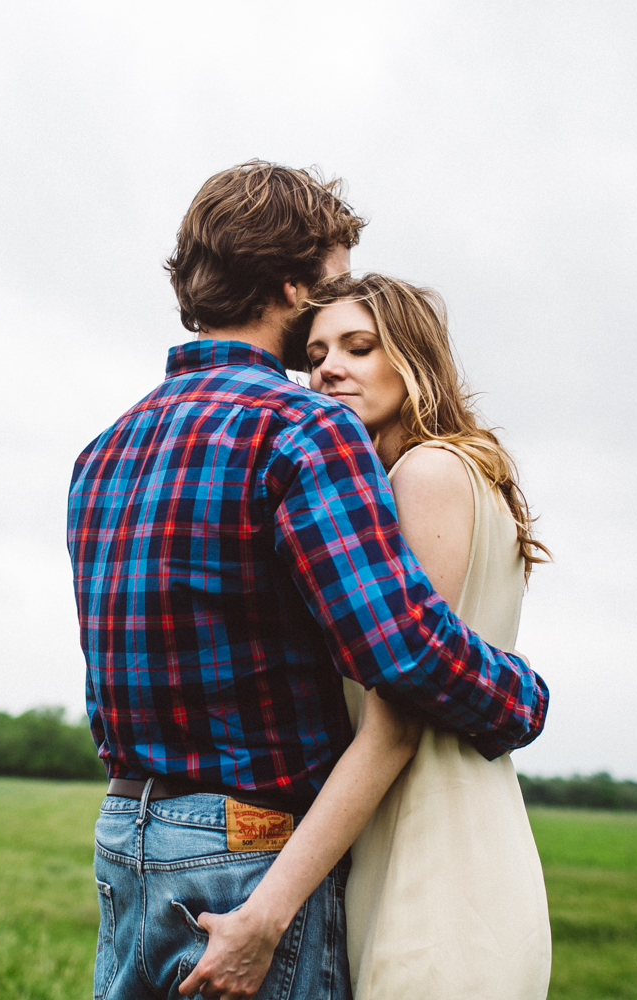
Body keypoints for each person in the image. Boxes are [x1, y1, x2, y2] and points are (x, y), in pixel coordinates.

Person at [67, 161, 548, 1000]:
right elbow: (401, 650)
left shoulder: (104, 448)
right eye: (332, 278)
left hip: (123, 832)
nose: (340, 293)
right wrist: (520, 696)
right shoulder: (305, 427)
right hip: (249, 847)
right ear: (293, 285)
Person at [182, 274, 554, 999]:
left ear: (412, 359)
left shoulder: (427, 472)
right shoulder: (445, 472)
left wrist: (264, 914)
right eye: (316, 352)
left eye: (358, 347)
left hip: (435, 856)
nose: (328, 368)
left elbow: (396, 725)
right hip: (431, 835)